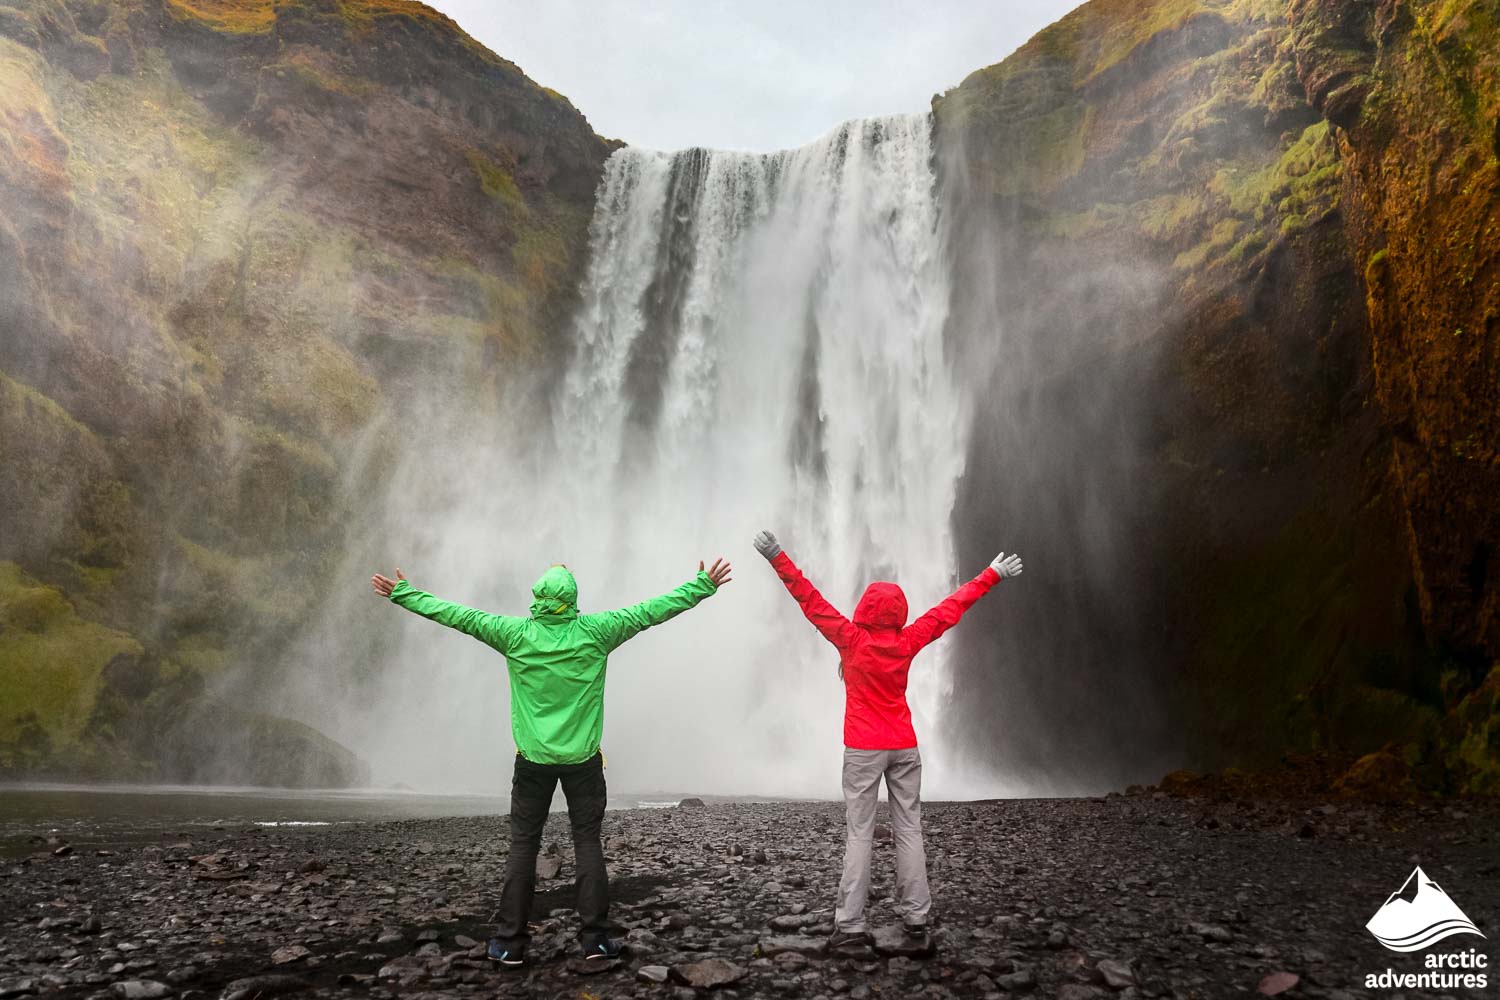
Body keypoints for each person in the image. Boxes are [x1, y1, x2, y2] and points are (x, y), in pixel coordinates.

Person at [371, 557, 733, 966]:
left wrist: (405, 594)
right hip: (583, 761)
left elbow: (458, 616)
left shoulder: (513, 634)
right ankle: (595, 941)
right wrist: (702, 585)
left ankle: (510, 943)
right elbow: (652, 610)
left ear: (538, 599)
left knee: (524, 847)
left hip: (533, 762)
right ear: (574, 600)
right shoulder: (599, 630)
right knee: (587, 843)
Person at [752, 530, 1022, 948]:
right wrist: (992, 574)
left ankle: (851, 925)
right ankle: (916, 920)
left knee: (860, 834)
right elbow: (950, 609)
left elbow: (809, 598)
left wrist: (775, 555)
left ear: (863, 609)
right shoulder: (907, 640)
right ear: (898, 612)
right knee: (909, 829)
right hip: (904, 746)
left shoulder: (849, 638)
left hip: (863, 747)